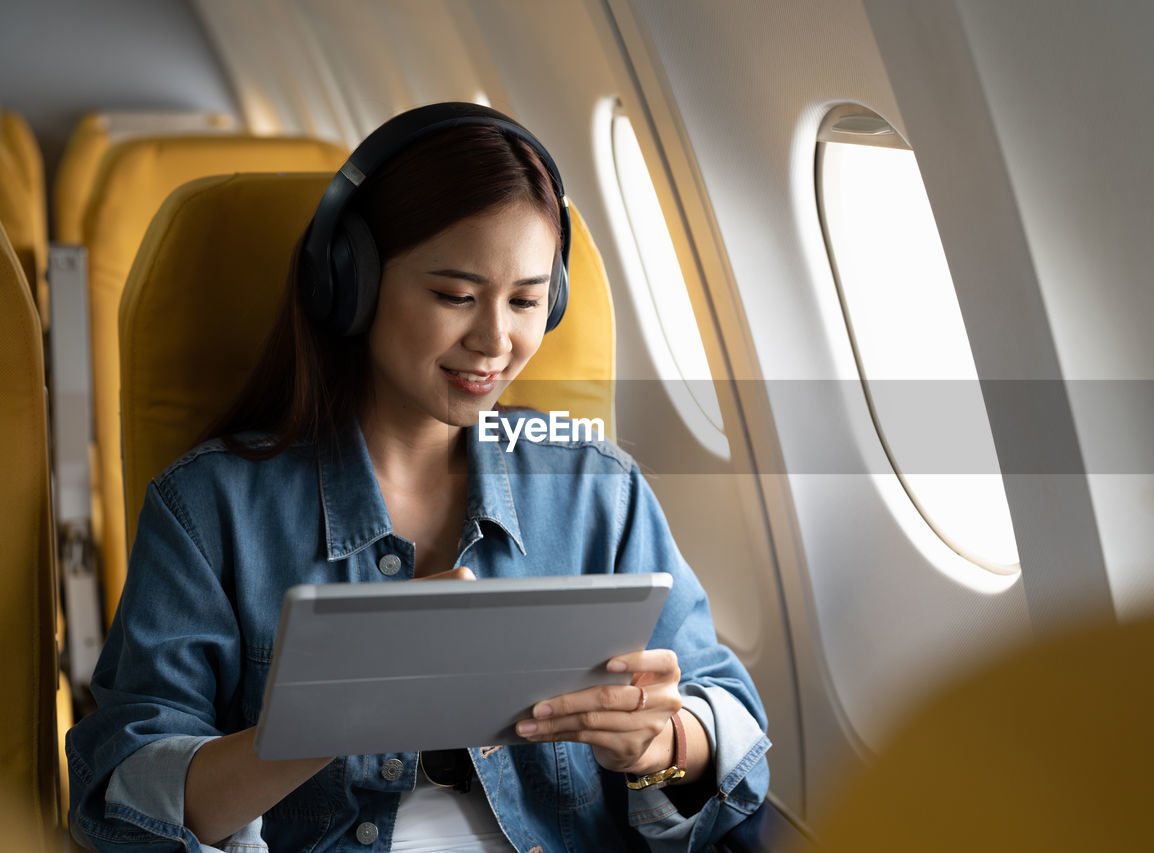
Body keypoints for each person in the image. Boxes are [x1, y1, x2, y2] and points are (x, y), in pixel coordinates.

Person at [65, 103, 770, 852]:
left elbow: (731, 724)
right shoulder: (210, 508)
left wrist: (664, 747)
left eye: (527, 301)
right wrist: (325, 720)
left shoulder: (599, 493)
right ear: (353, 284)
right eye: (455, 296)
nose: (496, 340)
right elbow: (120, 791)